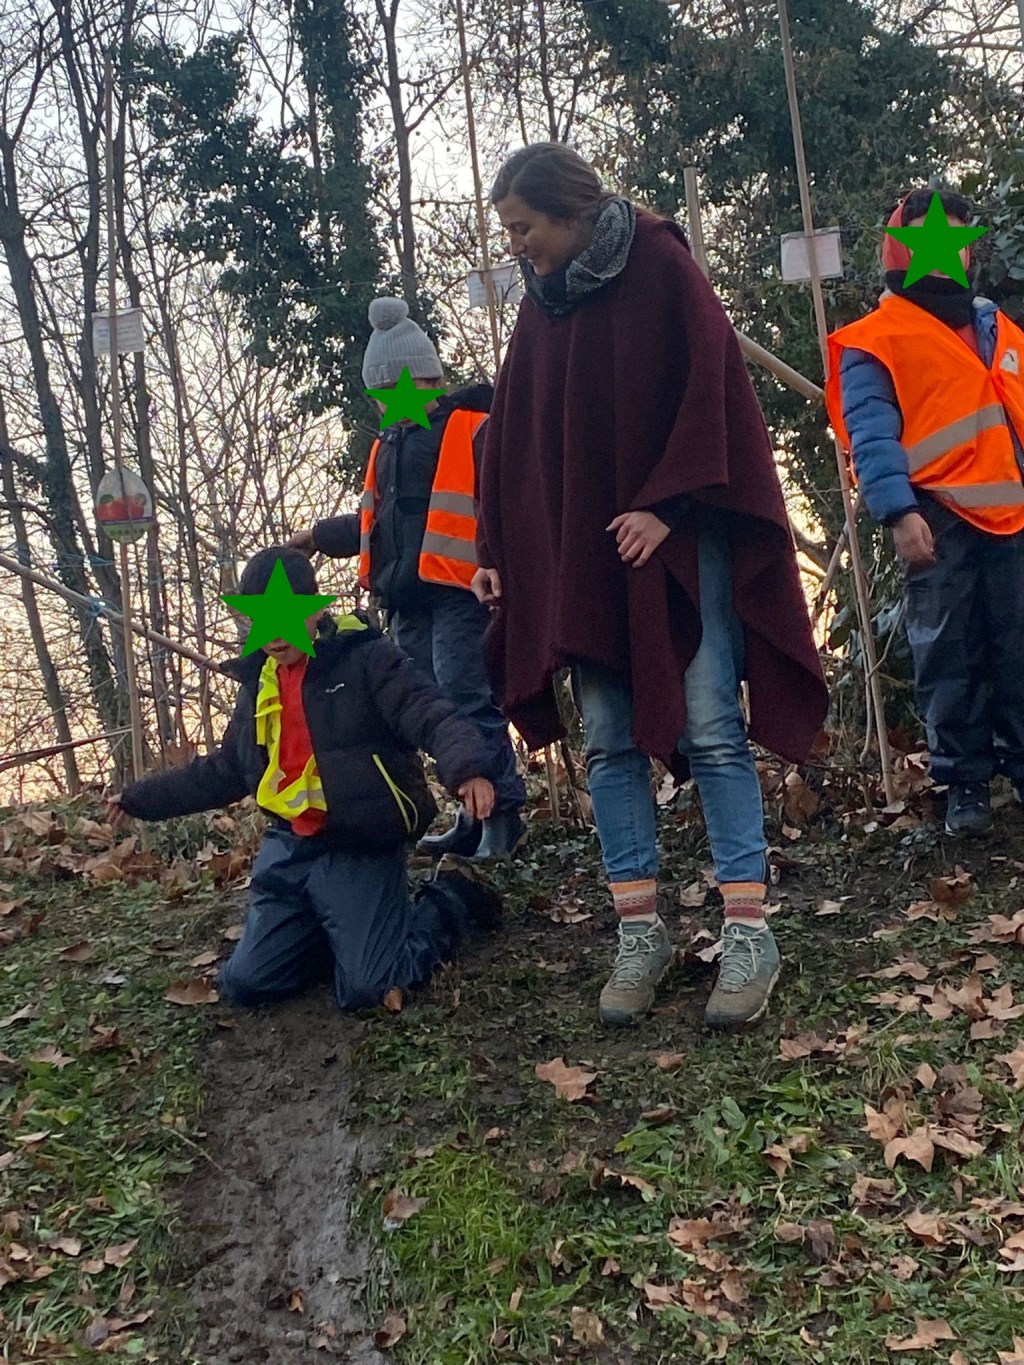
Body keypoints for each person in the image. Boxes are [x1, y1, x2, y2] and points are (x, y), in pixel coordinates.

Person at [475, 143, 828, 1030]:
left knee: (710, 726)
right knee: (607, 739)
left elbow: (713, 399)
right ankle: (642, 932)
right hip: (586, 561)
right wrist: (497, 549)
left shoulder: (661, 264)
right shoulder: (541, 306)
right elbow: (513, 433)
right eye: (509, 233)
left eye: (522, 228)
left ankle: (750, 932)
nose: (516, 246)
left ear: (564, 210)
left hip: (674, 548)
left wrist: (668, 509)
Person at [105, 547, 501, 1012]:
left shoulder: (368, 660)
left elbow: (431, 714)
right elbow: (226, 770)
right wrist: (139, 800)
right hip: (288, 850)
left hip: (359, 844)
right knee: (247, 984)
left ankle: (451, 896)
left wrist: (468, 768)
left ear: (314, 610)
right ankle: (330, 930)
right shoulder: (259, 683)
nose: (273, 635)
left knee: (368, 990)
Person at [288, 297, 526, 860]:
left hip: (461, 590)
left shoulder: (473, 425)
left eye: (383, 389)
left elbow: (502, 503)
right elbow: (379, 526)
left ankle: (502, 817)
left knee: (467, 698)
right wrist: (319, 537)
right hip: (407, 598)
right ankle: (470, 820)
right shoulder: (387, 447)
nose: (379, 402)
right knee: (429, 709)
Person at [827, 187, 1024, 837]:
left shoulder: (996, 325)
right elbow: (870, 430)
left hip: (1013, 520)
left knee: (1017, 646)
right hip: (935, 518)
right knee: (949, 652)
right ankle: (964, 780)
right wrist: (897, 509)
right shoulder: (876, 337)